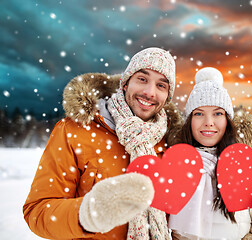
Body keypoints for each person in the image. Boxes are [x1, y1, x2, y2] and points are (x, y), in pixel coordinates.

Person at [23, 47, 183, 240]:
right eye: (142, 79)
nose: (150, 92)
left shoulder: (171, 143)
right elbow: (37, 212)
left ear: (167, 97)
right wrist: (87, 214)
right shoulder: (74, 130)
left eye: (161, 85)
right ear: (125, 83)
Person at [168, 67, 252, 240]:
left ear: (228, 120)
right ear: (189, 121)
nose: (209, 122)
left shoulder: (243, 168)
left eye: (218, 113)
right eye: (199, 114)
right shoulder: (175, 166)